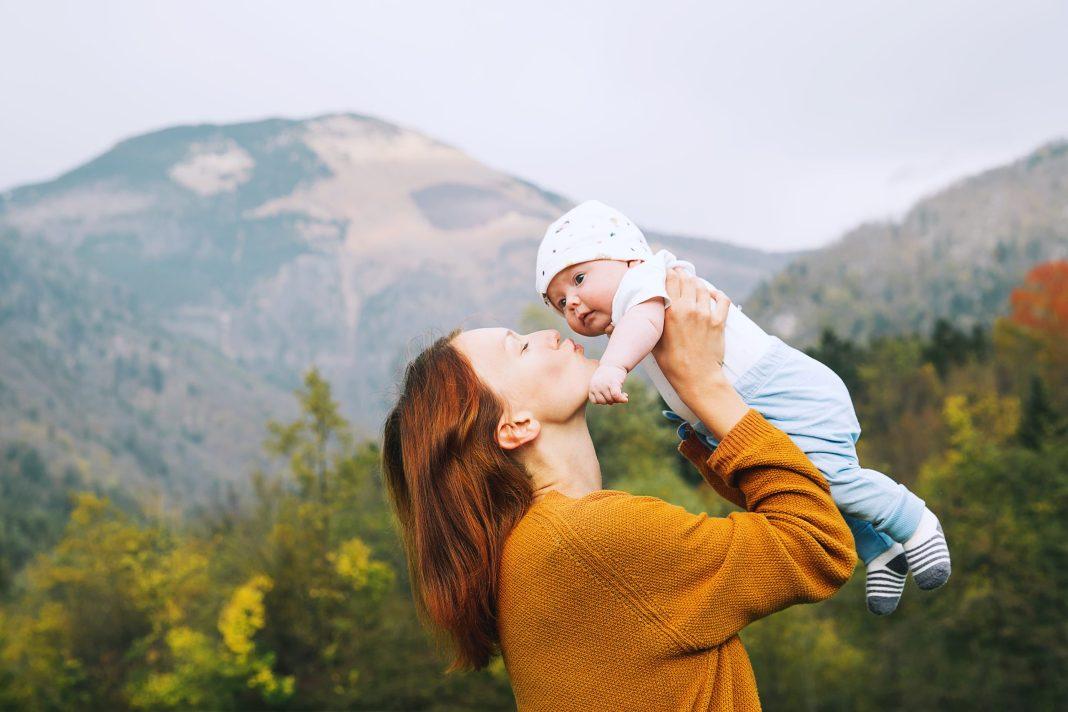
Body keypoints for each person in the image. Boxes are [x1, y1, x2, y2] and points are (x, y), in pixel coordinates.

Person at [383, 269, 856, 710]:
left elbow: (784, 514)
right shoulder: (592, 540)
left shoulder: (540, 549)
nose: (548, 334)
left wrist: (706, 427)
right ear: (515, 425)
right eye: (521, 348)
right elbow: (818, 543)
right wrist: (705, 384)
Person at [536, 199, 951, 614]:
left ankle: (912, 520)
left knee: (829, 477)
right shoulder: (631, 301)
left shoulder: (645, 282)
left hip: (781, 391)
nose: (571, 302)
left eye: (579, 278)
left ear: (627, 258)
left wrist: (613, 366)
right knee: (808, 486)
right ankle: (881, 551)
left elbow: (645, 323)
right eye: (558, 302)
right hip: (747, 406)